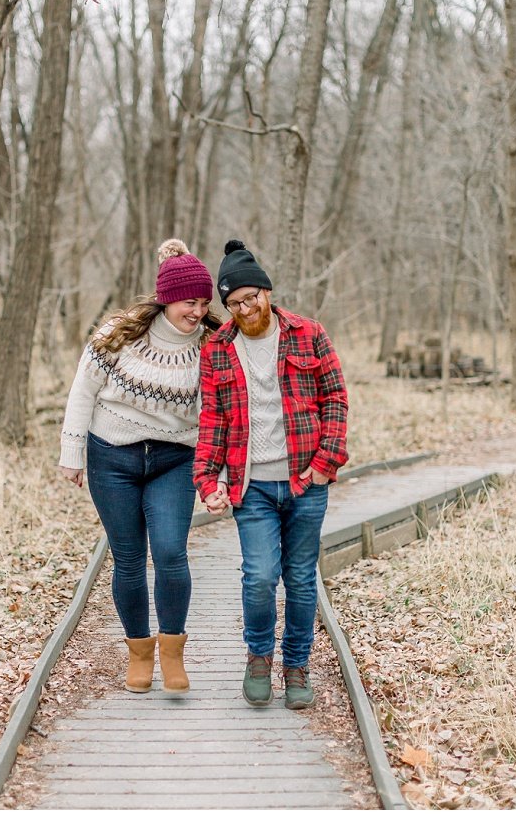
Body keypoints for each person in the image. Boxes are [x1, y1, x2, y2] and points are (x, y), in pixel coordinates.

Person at [193, 239, 349, 710]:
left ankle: (296, 665)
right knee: (259, 576)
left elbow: (336, 398)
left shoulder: (308, 334)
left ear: (266, 291)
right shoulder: (217, 350)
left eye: (250, 297)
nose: (244, 308)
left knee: (301, 579)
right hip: (251, 485)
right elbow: (212, 421)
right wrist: (206, 480)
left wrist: (326, 463)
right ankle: (259, 656)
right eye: (234, 303)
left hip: (306, 480)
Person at [59, 239, 219, 694]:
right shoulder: (118, 334)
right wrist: (72, 453)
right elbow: (82, 392)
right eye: (190, 301)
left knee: (170, 552)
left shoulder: (212, 345)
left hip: (175, 458)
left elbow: (217, 414)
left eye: (204, 302)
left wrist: (217, 473)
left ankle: (172, 653)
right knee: (128, 559)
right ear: (167, 298)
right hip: (112, 455)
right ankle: (139, 653)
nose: (198, 310)